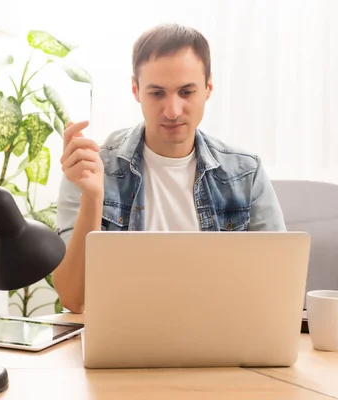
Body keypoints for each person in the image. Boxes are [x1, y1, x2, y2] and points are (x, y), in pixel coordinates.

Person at [52, 23, 286, 313]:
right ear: (136, 90)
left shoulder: (245, 173)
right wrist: (92, 197)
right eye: (157, 93)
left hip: (219, 341)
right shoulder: (93, 167)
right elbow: (74, 299)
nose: (173, 111)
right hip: (125, 341)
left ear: (208, 88)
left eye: (186, 92)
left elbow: (278, 290)